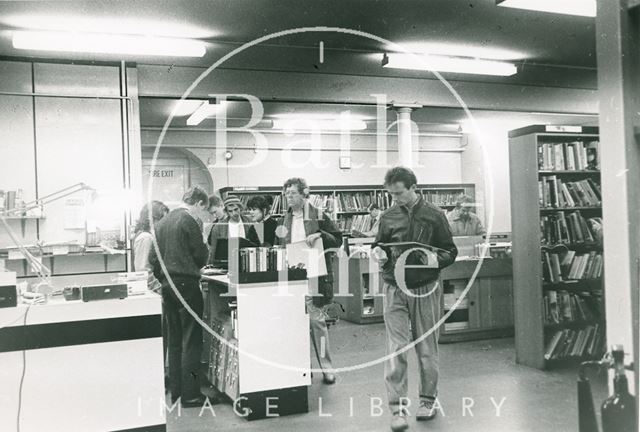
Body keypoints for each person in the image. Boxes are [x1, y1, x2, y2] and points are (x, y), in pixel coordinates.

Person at [372, 167, 458, 432]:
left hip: (425, 287)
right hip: (393, 287)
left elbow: (450, 251)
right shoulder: (388, 217)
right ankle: (397, 410)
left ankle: (427, 401)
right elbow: (378, 244)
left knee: (426, 347)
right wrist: (377, 253)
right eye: (391, 194)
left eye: (398, 194)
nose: (395, 199)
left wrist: (435, 260)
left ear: (412, 188)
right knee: (396, 348)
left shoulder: (434, 215)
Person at [150, 186, 213, 407]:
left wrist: (165, 277)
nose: (202, 214)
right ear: (199, 204)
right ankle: (191, 395)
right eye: (203, 210)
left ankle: (176, 390)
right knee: (192, 339)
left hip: (168, 286)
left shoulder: (162, 223)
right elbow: (201, 256)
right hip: (187, 284)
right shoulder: (190, 221)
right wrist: (204, 240)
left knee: (175, 339)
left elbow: (153, 259)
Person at [277, 177, 343, 385]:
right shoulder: (283, 219)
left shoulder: (318, 215)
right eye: (287, 194)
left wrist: (320, 235)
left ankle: (327, 368)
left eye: (293, 193)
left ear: (304, 194)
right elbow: (278, 244)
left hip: (315, 275)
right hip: (292, 277)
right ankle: (302, 369)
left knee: (318, 323)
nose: (289, 197)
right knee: (294, 324)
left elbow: (338, 239)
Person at [208, 195, 260, 266]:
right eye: (230, 211)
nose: (234, 213)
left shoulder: (251, 223)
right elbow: (213, 252)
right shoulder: (218, 228)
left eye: (236, 209)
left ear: (240, 208)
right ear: (226, 211)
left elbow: (258, 247)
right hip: (227, 265)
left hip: (249, 263)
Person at [132, 200, 169, 291]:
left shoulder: (147, 236)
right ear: (151, 220)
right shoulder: (146, 238)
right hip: (153, 293)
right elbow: (143, 272)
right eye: (162, 220)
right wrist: (160, 290)